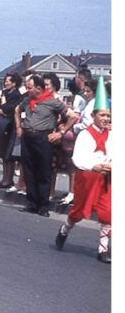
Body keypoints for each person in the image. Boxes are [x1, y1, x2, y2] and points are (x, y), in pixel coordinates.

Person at [55, 79, 111, 263]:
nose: (106, 119)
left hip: (106, 179)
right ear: (94, 115)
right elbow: (78, 158)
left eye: (108, 116)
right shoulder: (86, 134)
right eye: (102, 115)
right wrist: (93, 166)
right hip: (87, 177)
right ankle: (65, 229)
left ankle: (103, 250)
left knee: (108, 213)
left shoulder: (114, 134)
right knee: (78, 212)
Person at [14, 74, 78, 217]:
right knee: (29, 170)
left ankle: (43, 205)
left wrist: (61, 132)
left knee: (43, 172)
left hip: (43, 138)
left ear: (38, 88)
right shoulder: (27, 100)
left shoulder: (53, 102)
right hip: (28, 136)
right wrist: (19, 126)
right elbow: (17, 110)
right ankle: (31, 202)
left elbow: (73, 116)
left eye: (30, 87)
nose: (27, 90)